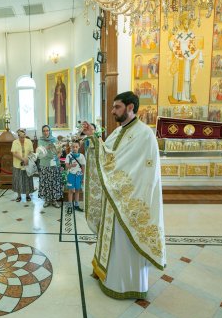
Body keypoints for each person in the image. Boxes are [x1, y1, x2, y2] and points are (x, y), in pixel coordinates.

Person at [82, 91, 166, 299]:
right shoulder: (118, 132)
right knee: (113, 242)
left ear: (130, 108)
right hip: (114, 197)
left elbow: (140, 172)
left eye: (117, 107)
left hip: (130, 201)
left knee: (125, 243)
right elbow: (106, 154)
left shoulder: (144, 134)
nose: (112, 111)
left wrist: (118, 185)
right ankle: (107, 275)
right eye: (113, 107)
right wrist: (93, 137)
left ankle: (127, 284)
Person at [38, 125, 63, 208]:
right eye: (44, 131)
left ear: (50, 131)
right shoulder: (40, 140)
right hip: (44, 163)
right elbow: (40, 151)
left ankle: (54, 200)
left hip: (54, 163)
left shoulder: (55, 140)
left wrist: (57, 156)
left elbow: (59, 151)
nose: (46, 132)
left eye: (47, 130)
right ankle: (47, 200)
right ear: (42, 132)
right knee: (46, 182)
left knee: (54, 182)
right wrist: (47, 147)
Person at [11, 129, 34, 202]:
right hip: (18, 164)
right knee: (18, 180)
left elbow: (31, 152)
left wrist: (27, 159)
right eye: (21, 137)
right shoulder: (15, 142)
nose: (22, 138)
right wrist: (22, 159)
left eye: (24, 136)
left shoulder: (29, 141)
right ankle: (19, 196)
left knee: (27, 179)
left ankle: (28, 195)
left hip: (27, 163)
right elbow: (14, 153)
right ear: (18, 136)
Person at [65, 141, 86, 214]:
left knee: (77, 190)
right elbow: (67, 166)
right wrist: (71, 166)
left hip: (79, 175)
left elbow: (83, 167)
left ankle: (76, 205)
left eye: (76, 147)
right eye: (73, 147)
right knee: (71, 191)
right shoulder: (69, 155)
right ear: (71, 147)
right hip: (71, 175)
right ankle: (70, 206)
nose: (75, 148)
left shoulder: (81, 156)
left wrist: (83, 177)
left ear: (79, 147)